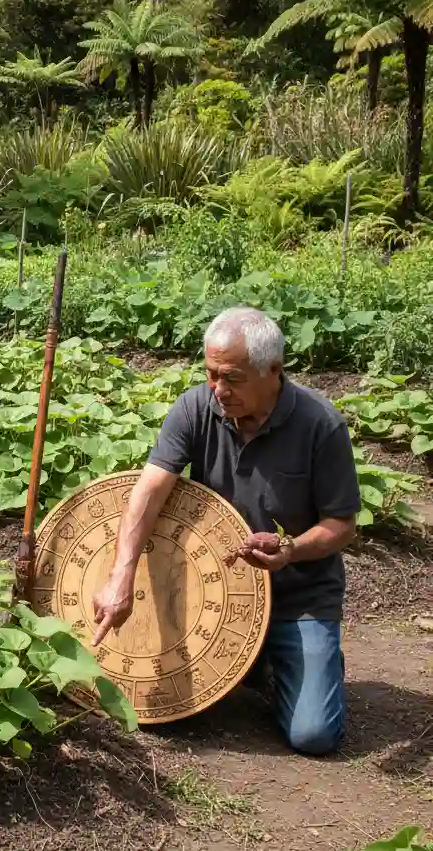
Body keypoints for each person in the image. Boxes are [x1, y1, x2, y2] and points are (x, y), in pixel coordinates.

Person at [91, 306, 360, 755]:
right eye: (211, 373)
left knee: (314, 736)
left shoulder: (321, 425)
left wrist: (290, 549)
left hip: (298, 594)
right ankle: (261, 666)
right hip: (210, 591)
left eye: (232, 378)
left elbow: (342, 526)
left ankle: (290, 662)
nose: (218, 388)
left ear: (273, 371)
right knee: (167, 710)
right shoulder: (197, 406)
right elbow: (150, 490)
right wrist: (123, 571)